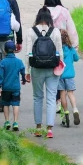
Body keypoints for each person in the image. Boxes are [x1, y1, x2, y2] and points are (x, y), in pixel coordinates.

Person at [25, 7, 63, 139]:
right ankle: (50, 129)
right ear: (49, 19)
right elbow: (60, 52)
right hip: (52, 68)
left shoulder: (31, 31)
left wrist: (27, 70)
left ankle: (38, 127)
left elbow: (29, 53)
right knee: (51, 97)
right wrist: (60, 67)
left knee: (37, 97)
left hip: (36, 68)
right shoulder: (56, 32)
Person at [44, 0, 79, 113]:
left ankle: (57, 101)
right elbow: (71, 29)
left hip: (48, 47)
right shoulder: (64, 12)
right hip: (63, 46)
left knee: (52, 75)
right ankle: (64, 104)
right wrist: (74, 46)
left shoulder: (43, 11)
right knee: (61, 73)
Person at [0, 40, 26, 132]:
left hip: (6, 87)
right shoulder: (19, 62)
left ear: (5, 50)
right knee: (16, 104)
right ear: (14, 50)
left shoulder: (3, 62)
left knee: (5, 104)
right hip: (16, 87)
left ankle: (7, 121)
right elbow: (23, 71)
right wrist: (24, 79)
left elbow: (0, 75)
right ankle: (16, 122)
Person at [57, 29, 80, 127]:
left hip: (60, 75)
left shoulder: (57, 50)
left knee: (62, 93)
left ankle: (65, 112)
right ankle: (75, 109)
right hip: (70, 75)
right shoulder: (71, 49)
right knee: (70, 93)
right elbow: (76, 58)